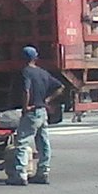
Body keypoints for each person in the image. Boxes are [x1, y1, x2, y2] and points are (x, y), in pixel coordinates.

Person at [9, 45, 65, 186]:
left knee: (22, 142)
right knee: (43, 142)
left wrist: (25, 107)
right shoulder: (42, 73)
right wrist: (48, 100)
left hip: (32, 111)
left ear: (22, 58)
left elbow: (26, 90)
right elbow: (60, 87)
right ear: (36, 58)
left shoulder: (26, 72)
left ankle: (20, 174)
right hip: (42, 111)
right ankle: (43, 172)